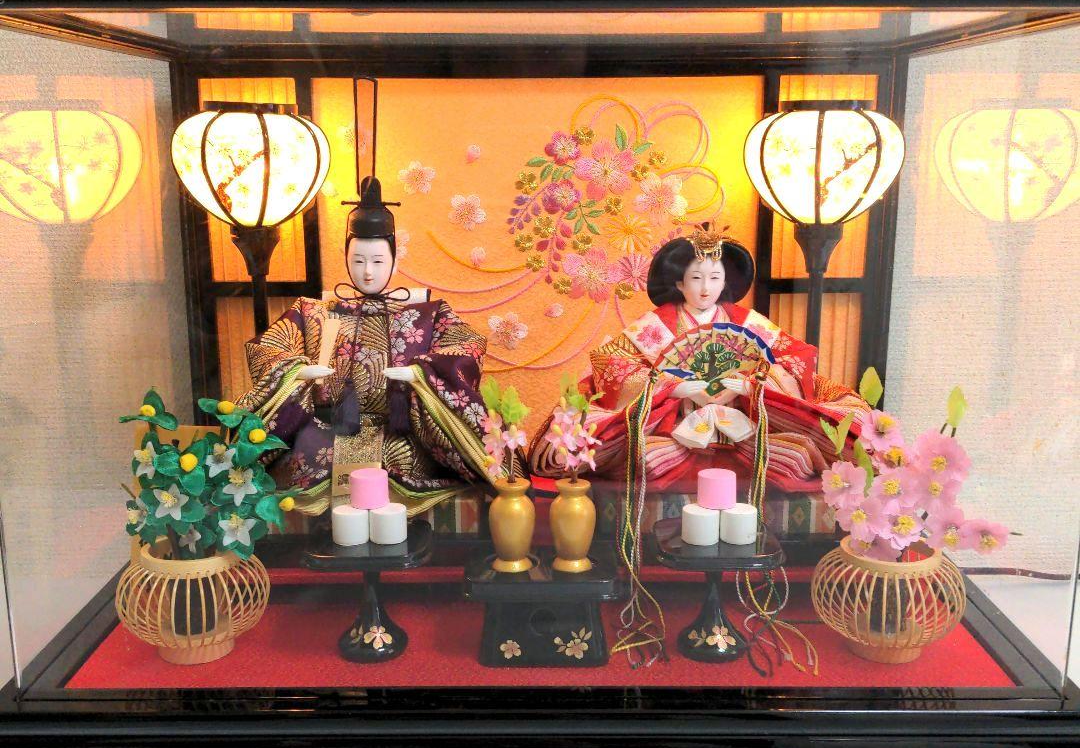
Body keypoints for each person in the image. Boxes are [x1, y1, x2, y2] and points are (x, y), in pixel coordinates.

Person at [528, 222, 867, 491]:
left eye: (715, 278)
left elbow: (796, 359)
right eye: (696, 278)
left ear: (725, 282)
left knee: (798, 457)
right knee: (644, 457)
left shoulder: (748, 323)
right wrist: (671, 388)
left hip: (744, 425)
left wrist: (752, 387)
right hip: (675, 427)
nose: (706, 288)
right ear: (679, 283)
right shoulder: (655, 325)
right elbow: (613, 365)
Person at [238, 176, 494, 515]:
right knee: (309, 452)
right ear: (346, 258)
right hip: (328, 429)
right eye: (359, 261)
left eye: (378, 261)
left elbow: (466, 345)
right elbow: (271, 347)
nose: (368, 272)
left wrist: (421, 373)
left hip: (398, 430)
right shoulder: (313, 312)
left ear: (395, 261)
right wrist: (297, 371)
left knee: (403, 458)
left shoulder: (428, 314)